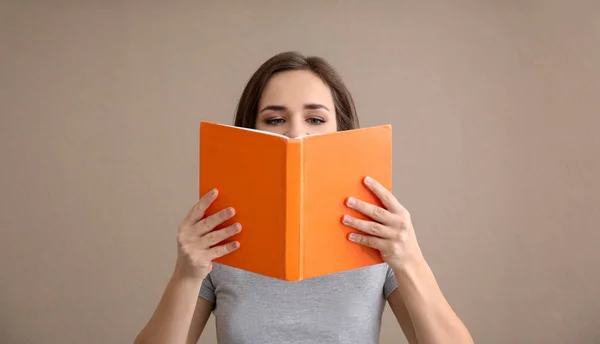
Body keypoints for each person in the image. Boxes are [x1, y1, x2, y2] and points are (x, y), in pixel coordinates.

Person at [134, 51, 473, 344]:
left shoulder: (377, 235)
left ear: (341, 131)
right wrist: (186, 274)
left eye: (315, 119)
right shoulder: (220, 238)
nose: (296, 133)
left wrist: (409, 259)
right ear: (250, 132)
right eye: (275, 119)